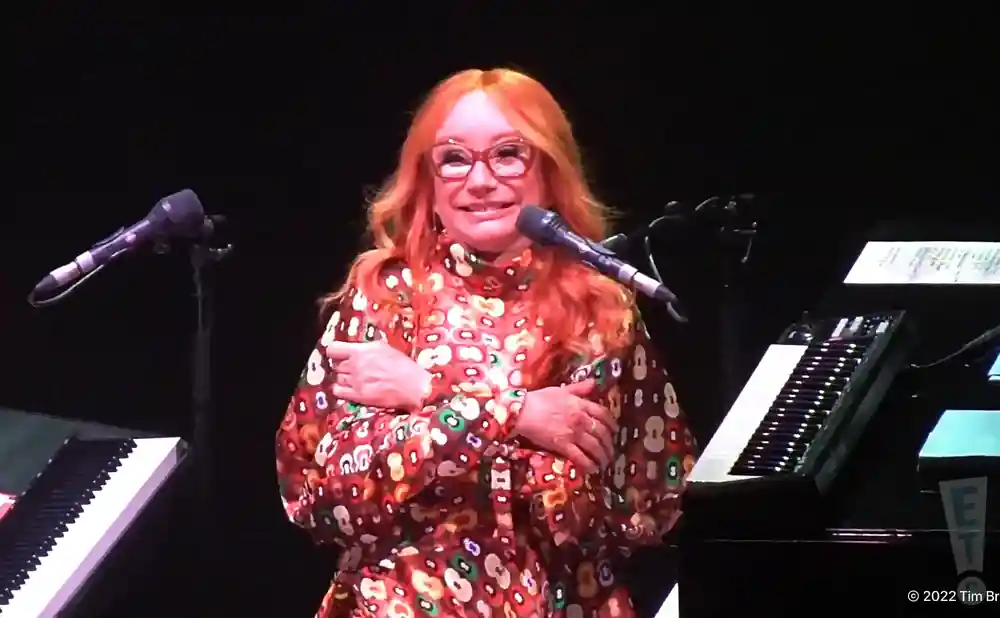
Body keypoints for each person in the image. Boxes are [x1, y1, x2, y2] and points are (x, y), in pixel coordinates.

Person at [275, 68, 698, 618]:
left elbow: (641, 503)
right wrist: (512, 414)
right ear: (426, 178)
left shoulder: (602, 309)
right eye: (453, 158)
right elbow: (331, 497)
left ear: (548, 170)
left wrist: (425, 395)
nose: (479, 181)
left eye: (507, 154)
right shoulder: (385, 297)